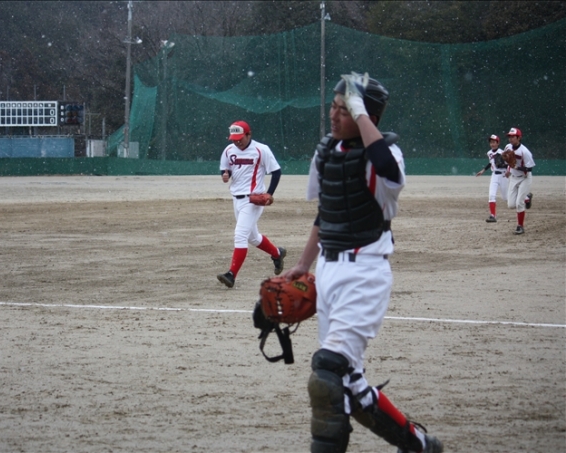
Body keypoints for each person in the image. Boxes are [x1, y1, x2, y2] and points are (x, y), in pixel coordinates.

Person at [281, 72, 443, 453]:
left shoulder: (386, 154)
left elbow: (390, 174)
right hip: (329, 271)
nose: (333, 115)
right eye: (333, 107)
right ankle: (419, 445)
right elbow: (326, 213)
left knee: (327, 371)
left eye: (345, 109)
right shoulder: (327, 152)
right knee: (350, 386)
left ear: (366, 115)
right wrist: (303, 265)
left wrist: (361, 112)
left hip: (364, 274)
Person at [217, 120, 285, 288]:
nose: (237, 142)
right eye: (234, 139)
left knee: (240, 235)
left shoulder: (261, 149)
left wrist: (269, 193)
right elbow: (226, 169)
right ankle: (277, 254)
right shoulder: (229, 150)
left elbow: (276, 171)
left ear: (249, 134)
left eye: (240, 138)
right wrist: (225, 175)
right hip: (236, 198)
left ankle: (231, 275)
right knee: (252, 237)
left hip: (253, 200)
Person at [503, 127, 534, 235]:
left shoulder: (525, 152)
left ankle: (520, 226)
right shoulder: (507, 147)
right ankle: (527, 198)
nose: (510, 139)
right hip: (513, 177)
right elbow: (508, 161)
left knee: (519, 203)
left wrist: (516, 167)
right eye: (509, 136)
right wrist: (508, 170)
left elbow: (530, 169)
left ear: (519, 137)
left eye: (513, 136)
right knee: (511, 205)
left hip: (525, 178)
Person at [475, 134, 508, 222]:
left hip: (503, 176)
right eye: (491, 142)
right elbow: (491, 162)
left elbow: (509, 164)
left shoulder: (502, 153)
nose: (492, 144)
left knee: (506, 198)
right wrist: (483, 170)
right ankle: (492, 215)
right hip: (494, 175)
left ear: (498, 143)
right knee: (491, 195)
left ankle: (525, 198)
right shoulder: (489, 153)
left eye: (494, 142)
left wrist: (503, 165)